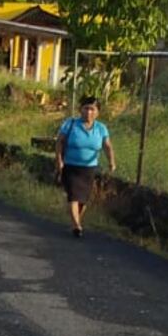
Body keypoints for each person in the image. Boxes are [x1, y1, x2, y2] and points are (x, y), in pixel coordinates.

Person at [55, 94, 115, 237]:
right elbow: (59, 142)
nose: (89, 112)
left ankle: (76, 222)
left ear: (97, 112)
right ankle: (77, 225)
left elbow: (107, 146)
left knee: (83, 199)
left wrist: (111, 162)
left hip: (89, 169)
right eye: (86, 109)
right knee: (74, 196)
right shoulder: (70, 124)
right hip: (70, 166)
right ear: (80, 110)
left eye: (92, 109)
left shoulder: (101, 128)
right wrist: (59, 160)